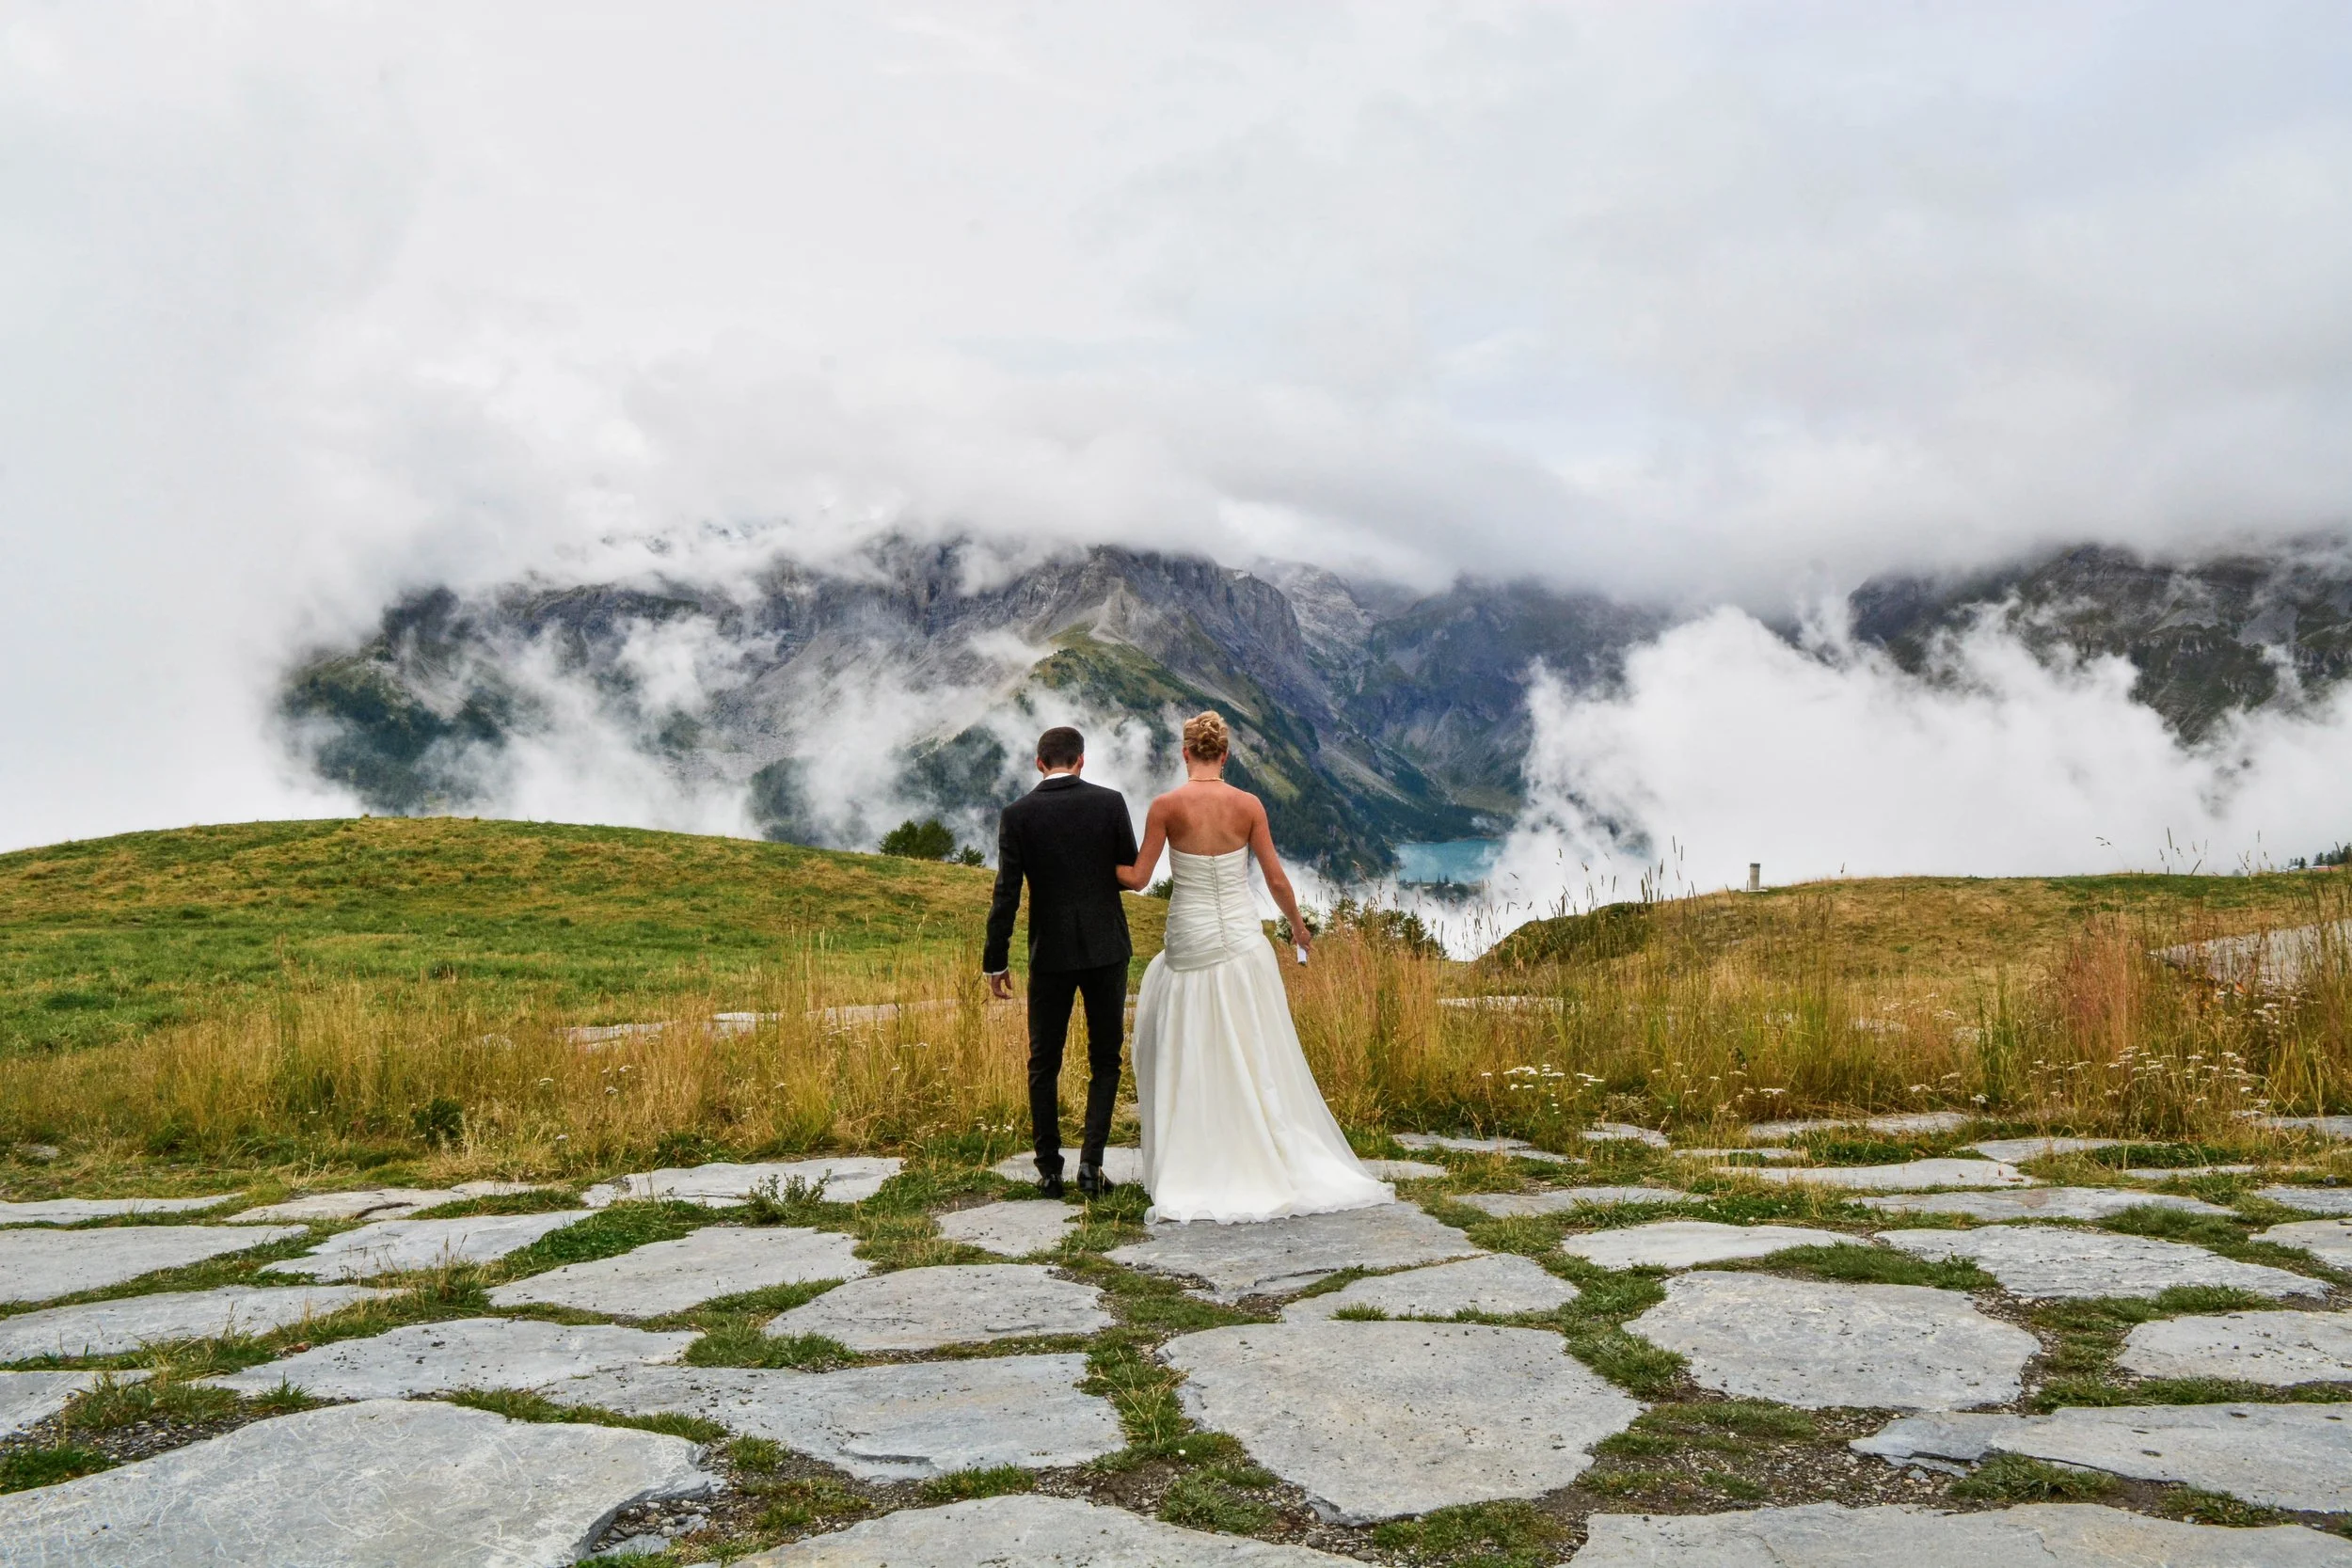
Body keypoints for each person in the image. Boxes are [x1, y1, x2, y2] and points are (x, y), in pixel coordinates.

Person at [1117, 710, 1391, 1223]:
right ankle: (1265, 1149)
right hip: (1243, 939)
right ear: (1224, 755)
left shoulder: (1165, 807)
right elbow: (1277, 880)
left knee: (1191, 1042)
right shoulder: (1248, 805)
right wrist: (1299, 928)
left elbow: (1136, 878)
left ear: (1185, 753)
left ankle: (1197, 1154)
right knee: (1256, 1044)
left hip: (1190, 939)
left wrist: (1086, 862)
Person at [982, 725, 1139, 1199]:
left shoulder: (1017, 815)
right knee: (1105, 1058)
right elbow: (1128, 869)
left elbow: (1007, 892)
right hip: (1106, 947)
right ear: (1082, 760)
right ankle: (1091, 1167)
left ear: (1039, 763)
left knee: (1043, 1061)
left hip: (1048, 952)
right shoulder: (1110, 803)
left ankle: (1049, 1169)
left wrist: (996, 960)